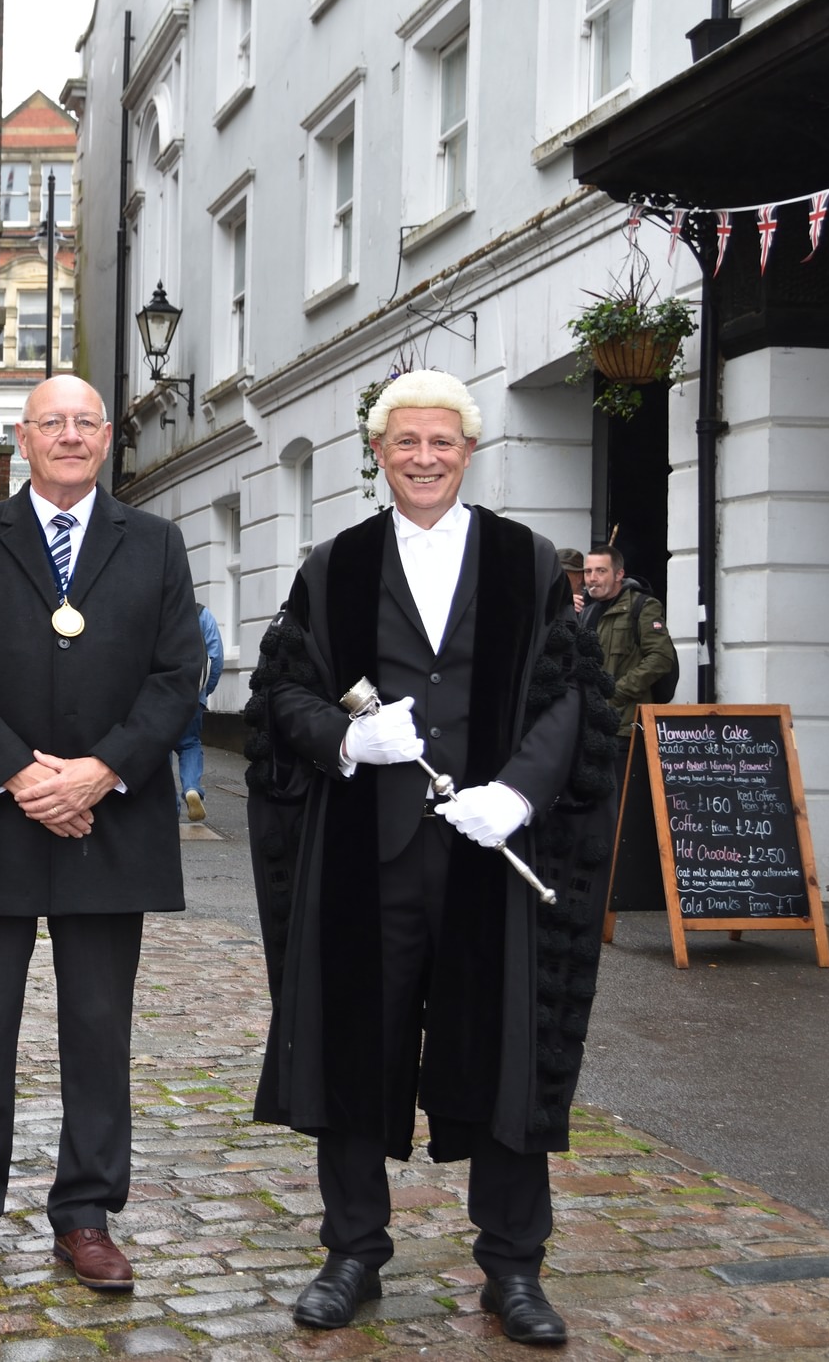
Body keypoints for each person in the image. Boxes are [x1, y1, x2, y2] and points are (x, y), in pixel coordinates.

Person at [241, 371, 615, 1345]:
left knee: (504, 1050)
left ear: (467, 450)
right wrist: (342, 739)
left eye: (439, 443)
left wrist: (518, 792)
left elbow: (568, 694)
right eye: (403, 441)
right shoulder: (334, 567)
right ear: (378, 451)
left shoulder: (526, 562)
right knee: (353, 1046)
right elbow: (279, 695)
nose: (421, 458)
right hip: (364, 851)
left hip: (487, 850)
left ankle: (511, 1266)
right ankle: (353, 1251)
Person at [0, 374, 207, 1292]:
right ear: (23, 439)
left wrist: (99, 770)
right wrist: (24, 773)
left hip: (109, 820)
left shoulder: (154, 542)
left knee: (97, 1024)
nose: (70, 436)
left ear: (107, 437)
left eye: (85, 423)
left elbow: (177, 672)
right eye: (53, 423)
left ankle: (86, 1212)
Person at [581, 544, 678, 754]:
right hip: (586, 725)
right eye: (588, 571)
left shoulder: (642, 606)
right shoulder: (584, 611)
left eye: (601, 571)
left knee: (619, 785)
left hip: (623, 726)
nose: (592, 578)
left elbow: (661, 657)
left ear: (619, 574)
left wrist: (616, 693)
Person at [174, 602, 226, 821]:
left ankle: (169, 803)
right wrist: (204, 692)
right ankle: (192, 788)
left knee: (159, 749)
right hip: (194, 695)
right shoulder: (202, 614)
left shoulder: (160, 609)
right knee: (190, 744)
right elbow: (216, 657)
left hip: (160, 695)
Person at [556, 547, 585, 616]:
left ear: (579, 578)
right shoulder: (546, 601)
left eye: (563, 574)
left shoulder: (590, 606)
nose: (556, 578)